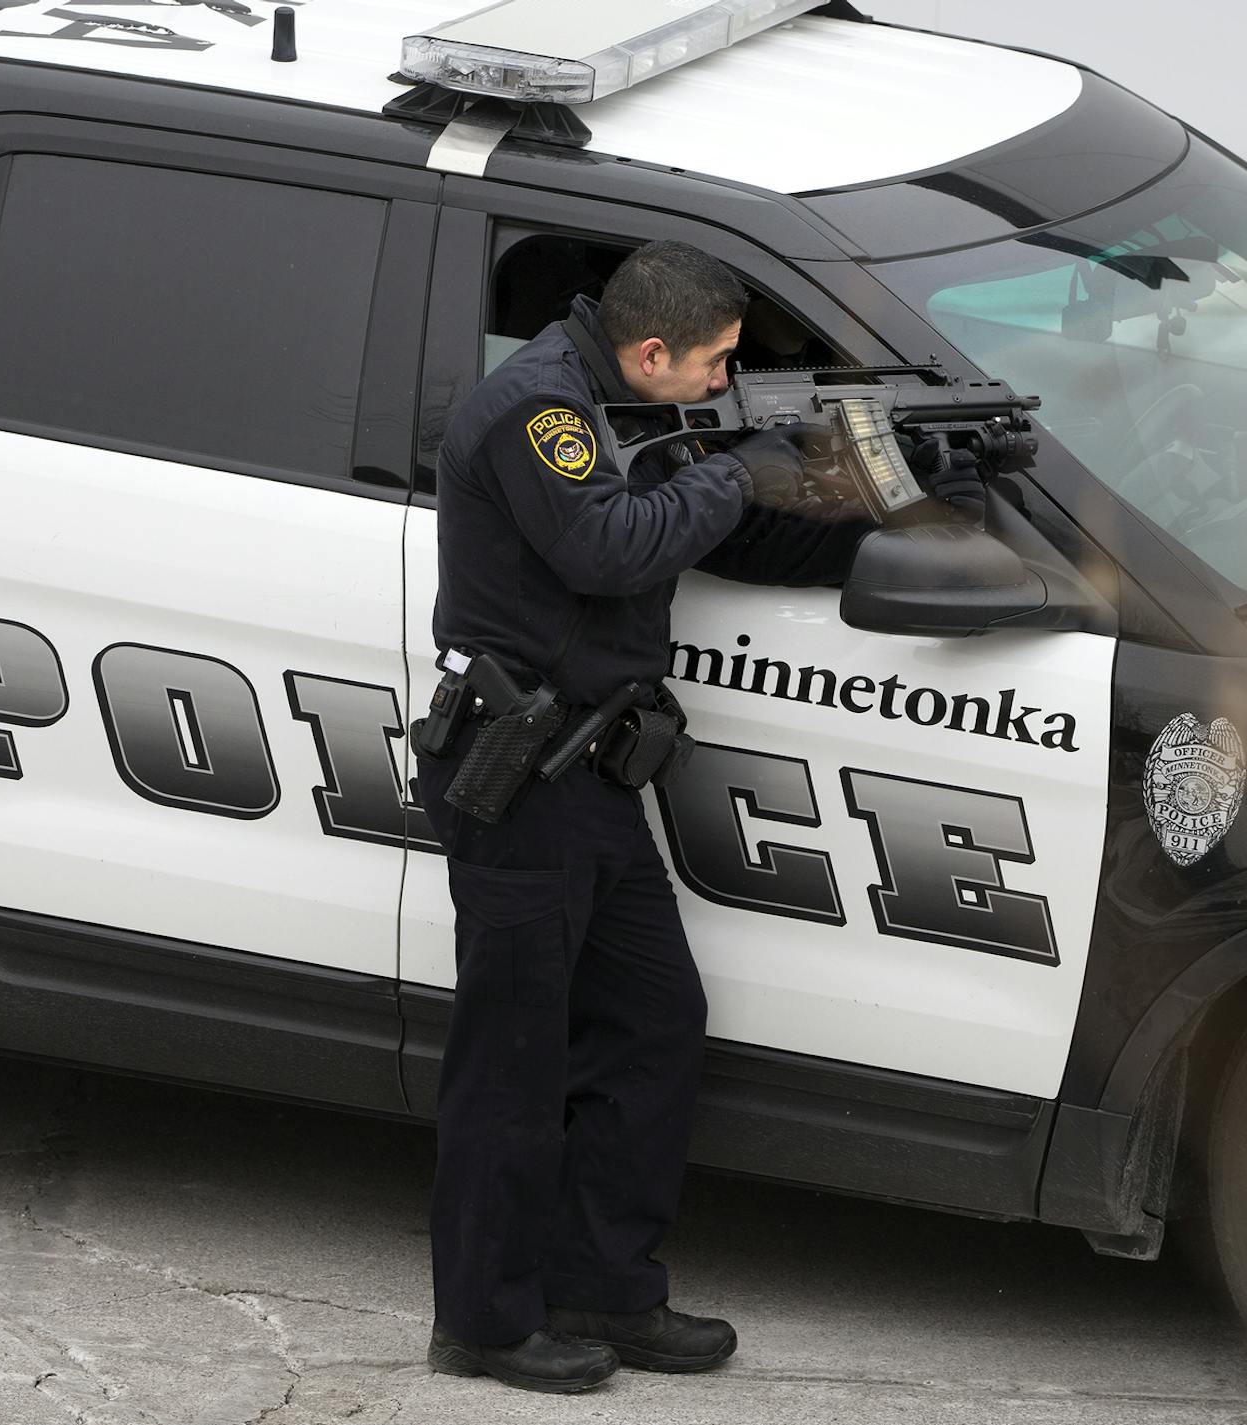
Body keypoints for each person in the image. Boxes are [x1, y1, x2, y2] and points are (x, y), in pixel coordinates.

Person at [415, 240, 876, 1394]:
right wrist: (738, 463)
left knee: (656, 1024)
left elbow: (736, 530)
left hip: (597, 774)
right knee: (513, 1065)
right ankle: (482, 1323)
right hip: (521, 773)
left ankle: (603, 1291)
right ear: (654, 349)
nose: (726, 386)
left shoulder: (636, 402)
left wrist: (876, 489)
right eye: (716, 367)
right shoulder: (540, 412)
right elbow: (612, 544)